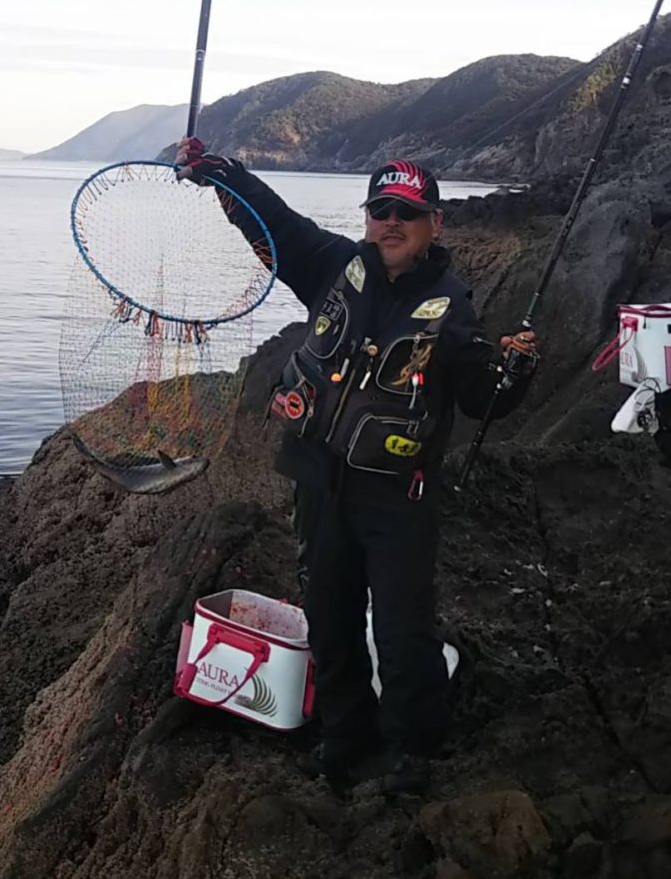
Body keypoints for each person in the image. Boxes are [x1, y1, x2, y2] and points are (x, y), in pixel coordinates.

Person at [176, 139, 538, 792]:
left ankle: (411, 750)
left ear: (434, 223)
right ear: (367, 218)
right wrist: (224, 176)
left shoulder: (453, 309)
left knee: (404, 631)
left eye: (406, 211)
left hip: (399, 496)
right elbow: (277, 225)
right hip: (319, 480)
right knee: (331, 618)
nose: (390, 222)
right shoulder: (334, 266)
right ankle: (345, 734)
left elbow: (486, 399)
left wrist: (517, 370)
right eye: (380, 210)